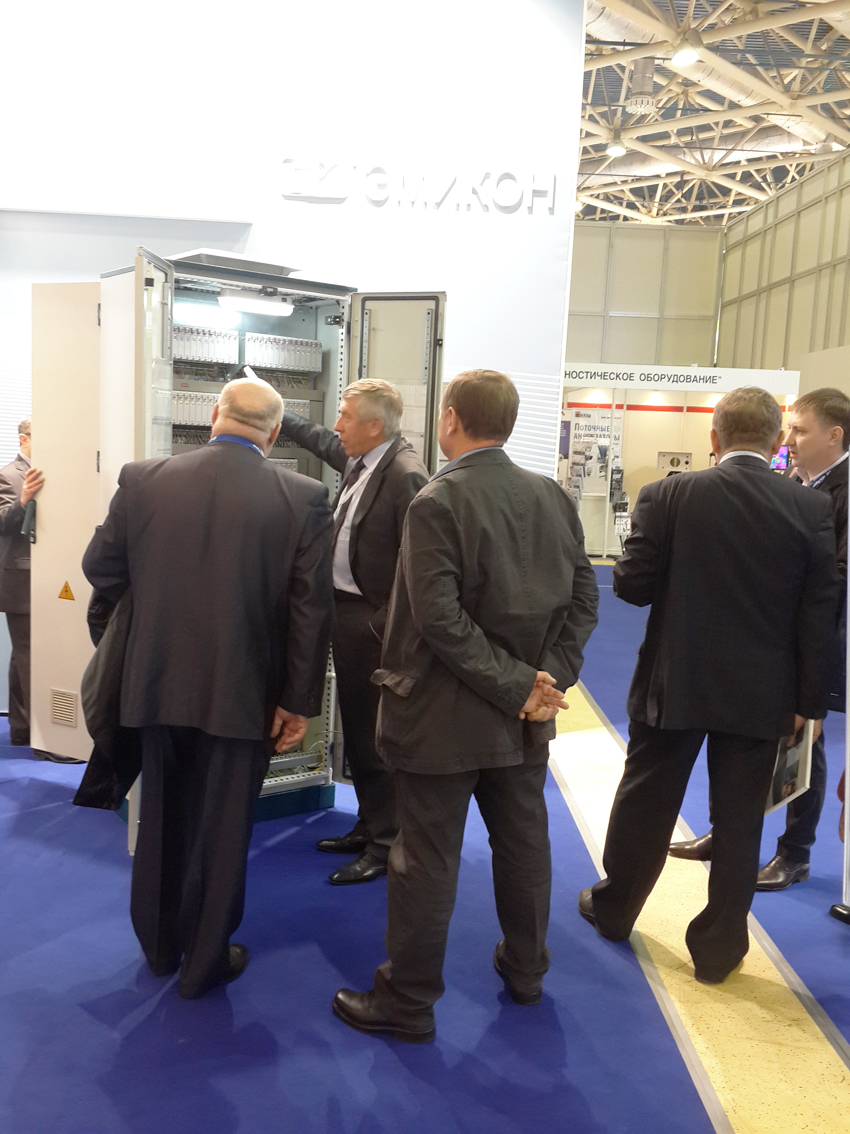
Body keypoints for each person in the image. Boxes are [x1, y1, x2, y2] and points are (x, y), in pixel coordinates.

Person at [332, 369, 599, 1042]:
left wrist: (524, 686)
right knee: (523, 845)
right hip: (522, 722)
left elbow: (439, 620)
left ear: (450, 418)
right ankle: (527, 970)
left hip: (442, 719)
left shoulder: (437, 500)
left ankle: (408, 1001)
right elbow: (585, 598)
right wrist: (547, 683)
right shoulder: (551, 495)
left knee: (425, 861)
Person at [82, 375, 333, 998]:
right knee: (222, 832)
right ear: (274, 433)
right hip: (244, 694)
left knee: (161, 817)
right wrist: (298, 704)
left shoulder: (143, 479)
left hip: (155, 683)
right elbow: (310, 613)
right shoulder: (303, 497)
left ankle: (159, 947)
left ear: (215, 414)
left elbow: (99, 568)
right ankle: (204, 962)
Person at [579, 387, 839, 985]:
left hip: (674, 681)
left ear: (714, 437)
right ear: (778, 440)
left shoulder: (668, 495)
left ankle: (616, 910)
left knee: (645, 802)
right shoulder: (809, 508)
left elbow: (632, 586)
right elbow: (817, 613)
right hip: (763, 693)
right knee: (741, 819)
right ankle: (719, 950)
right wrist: (808, 704)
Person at [669, 388, 848, 892]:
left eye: (801, 430)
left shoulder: (842, 494)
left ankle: (795, 853)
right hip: (770, 644)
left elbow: (833, 583)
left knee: (804, 745)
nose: (789, 439)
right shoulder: (796, 483)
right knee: (738, 739)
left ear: (834, 435)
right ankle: (725, 832)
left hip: (812, 644)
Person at [278, 379, 429, 885]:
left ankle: (387, 845)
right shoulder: (364, 460)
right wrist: (274, 408)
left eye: (345, 416)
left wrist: (382, 626)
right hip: (347, 618)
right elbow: (321, 439)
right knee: (360, 735)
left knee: (376, 738)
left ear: (375, 425)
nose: (336, 425)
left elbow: (419, 568)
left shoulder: (405, 475)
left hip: (373, 627)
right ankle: (370, 825)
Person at [0, 418, 81, 764]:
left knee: (23, 657)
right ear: (24, 439)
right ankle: (46, 739)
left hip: (49, 578)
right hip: (22, 581)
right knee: (32, 657)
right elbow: (3, 523)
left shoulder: (54, 472)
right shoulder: (9, 475)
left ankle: (21, 729)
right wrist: (23, 501)